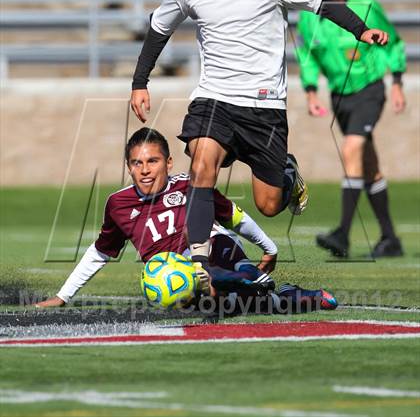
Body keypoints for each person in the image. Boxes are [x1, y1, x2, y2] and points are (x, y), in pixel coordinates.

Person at [129, 0, 388, 277]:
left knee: (268, 204)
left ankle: (286, 173)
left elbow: (322, 2)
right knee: (201, 166)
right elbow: (158, 29)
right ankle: (199, 265)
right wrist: (140, 82)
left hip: (264, 106)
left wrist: (360, 30)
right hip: (214, 98)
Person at [35, 127, 337, 312]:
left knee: (235, 276)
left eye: (152, 161)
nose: (145, 170)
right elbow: (101, 252)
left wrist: (269, 248)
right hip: (173, 275)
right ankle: (286, 294)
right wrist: (63, 296)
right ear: (128, 167)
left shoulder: (190, 186)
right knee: (237, 305)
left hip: (213, 247)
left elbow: (233, 216)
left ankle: (248, 277)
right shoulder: (118, 204)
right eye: (136, 163)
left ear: (168, 162)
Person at [295, 0, 406, 259]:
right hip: (339, 96)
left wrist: (396, 82)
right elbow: (307, 57)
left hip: (369, 90)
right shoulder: (309, 17)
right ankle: (390, 239)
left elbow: (395, 43)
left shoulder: (367, 6)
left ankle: (343, 233)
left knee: (351, 149)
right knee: (367, 163)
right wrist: (310, 92)